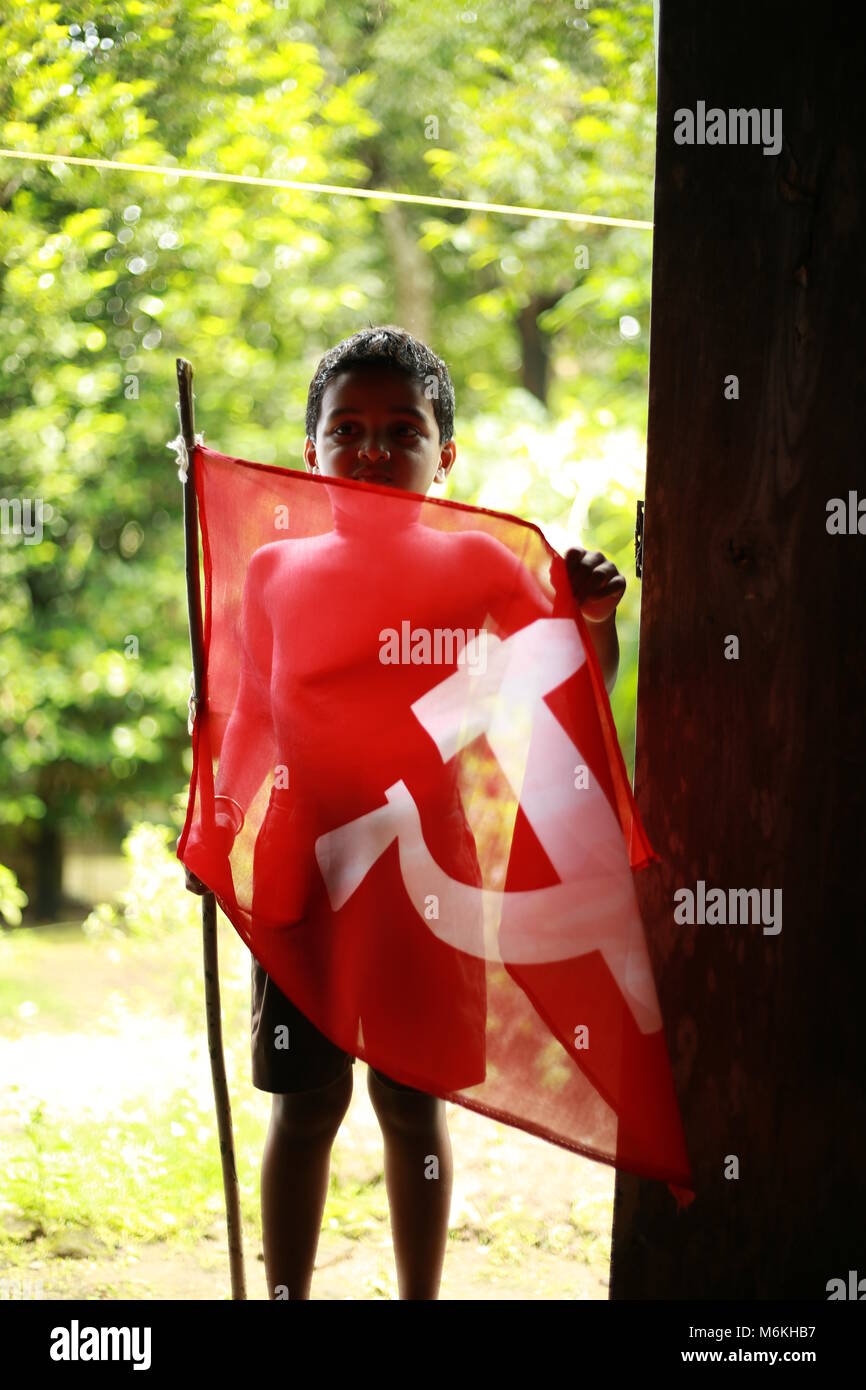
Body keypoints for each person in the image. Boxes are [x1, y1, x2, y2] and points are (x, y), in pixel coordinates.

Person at [183, 325, 626, 1299]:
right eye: (347, 429)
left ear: (444, 455)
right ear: (310, 453)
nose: (373, 449)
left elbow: (568, 689)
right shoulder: (274, 574)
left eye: (400, 428)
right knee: (301, 1109)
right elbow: (249, 724)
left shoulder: (476, 567)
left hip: (428, 878)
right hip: (301, 873)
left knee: (410, 1104)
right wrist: (214, 822)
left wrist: (594, 620)